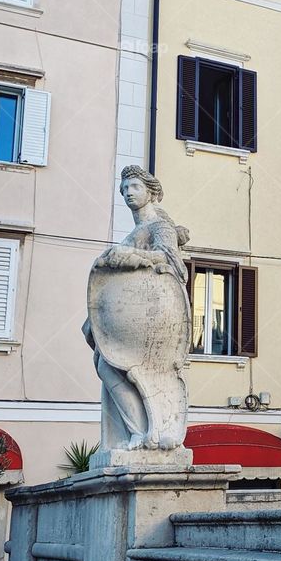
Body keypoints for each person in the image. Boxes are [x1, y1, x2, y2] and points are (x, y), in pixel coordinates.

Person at [83, 166, 192, 449]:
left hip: (150, 319)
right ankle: (137, 432)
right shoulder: (135, 230)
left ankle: (147, 431)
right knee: (104, 365)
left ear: (150, 192)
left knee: (118, 368)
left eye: (134, 187)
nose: (128, 193)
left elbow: (171, 263)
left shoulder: (159, 226)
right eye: (124, 189)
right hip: (129, 317)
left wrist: (131, 255)